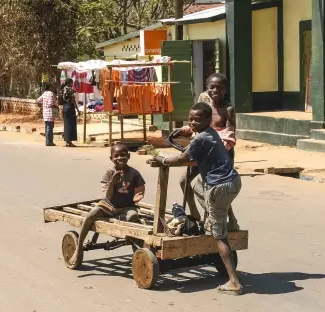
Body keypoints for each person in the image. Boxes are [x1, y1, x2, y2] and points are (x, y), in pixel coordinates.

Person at [151, 102, 243, 295]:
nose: (192, 122)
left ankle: (234, 282)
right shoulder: (211, 133)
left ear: (208, 120)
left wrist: (163, 160)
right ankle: (213, 218)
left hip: (219, 186)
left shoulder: (200, 138)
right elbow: (194, 158)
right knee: (194, 184)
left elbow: (181, 159)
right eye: (190, 118)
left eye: (197, 119)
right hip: (232, 182)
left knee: (220, 236)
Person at [176, 73, 239, 231]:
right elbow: (194, 124)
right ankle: (195, 213)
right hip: (201, 151)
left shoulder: (228, 109)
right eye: (212, 87)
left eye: (219, 88)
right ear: (207, 88)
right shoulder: (204, 105)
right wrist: (184, 130)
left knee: (218, 187)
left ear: (225, 90)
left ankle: (231, 220)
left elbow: (230, 133)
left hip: (221, 154)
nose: (215, 90)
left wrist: (216, 146)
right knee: (184, 181)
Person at [68, 143, 145, 267]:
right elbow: (108, 196)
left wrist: (139, 195)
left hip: (127, 207)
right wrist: (112, 183)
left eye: (123, 155)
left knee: (133, 217)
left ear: (129, 156)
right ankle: (79, 247)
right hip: (109, 205)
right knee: (90, 216)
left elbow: (140, 188)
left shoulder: (134, 173)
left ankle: (137, 252)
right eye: (116, 156)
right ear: (111, 159)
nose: (120, 158)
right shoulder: (109, 172)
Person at [60, 78, 78, 147]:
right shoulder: (70, 90)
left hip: (65, 108)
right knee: (71, 125)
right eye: (71, 83)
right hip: (70, 108)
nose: (72, 84)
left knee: (66, 125)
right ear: (69, 83)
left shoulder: (63, 89)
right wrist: (77, 110)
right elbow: (73, 101)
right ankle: (69, 141)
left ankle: (67, 141)